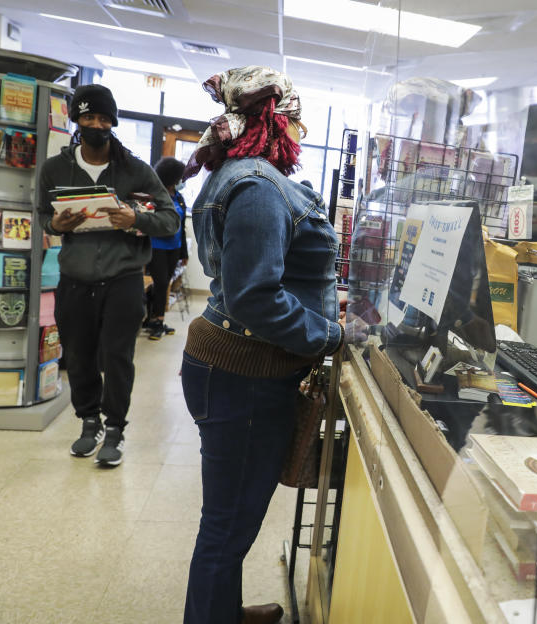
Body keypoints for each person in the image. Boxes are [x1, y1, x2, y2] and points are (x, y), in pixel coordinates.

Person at [179, 66, 364, 624]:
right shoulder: (259, 185)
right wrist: (328, 333)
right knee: (229, 524)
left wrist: (319, 304)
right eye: (299, 123)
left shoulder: (239, 173)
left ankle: (222, 611)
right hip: (246, 373)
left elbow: (260, 277)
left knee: (230, 516)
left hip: (234, 361)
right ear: (279, 121)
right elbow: (255, 297)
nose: (302, 135)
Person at [37, 84, 179, 466]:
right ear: (76, 121)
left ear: (113, 122)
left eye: (103, 118)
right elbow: (41, 217)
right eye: (88, 117)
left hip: (123, 278)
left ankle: (115, 428)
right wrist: (57, 223)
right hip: (75, 278)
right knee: (80, 355)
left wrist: (137, 218)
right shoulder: (55, 169)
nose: (96, 124)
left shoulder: (135, 170)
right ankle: (89, 421)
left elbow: (170, 220)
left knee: (117, 356)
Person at [145, 156, 190, 340]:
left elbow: (182, 226)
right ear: (170, 177)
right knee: (161, 283)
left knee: (164, 283)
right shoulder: (155, 196)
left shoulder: (179, 198)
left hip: (174, 247)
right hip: (156, 246)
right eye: (179, 177)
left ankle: (152, 319)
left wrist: (184, 253)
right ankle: (157, 322)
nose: (181, 181)